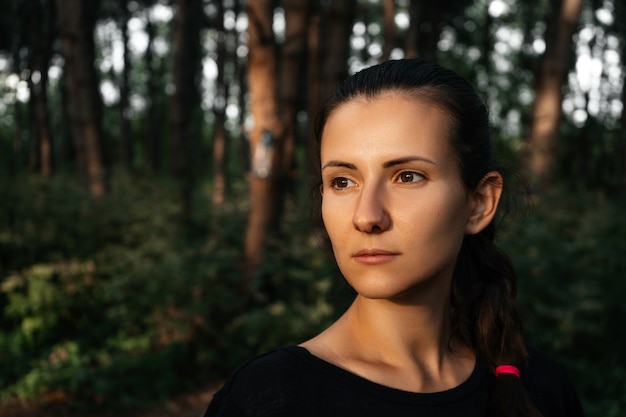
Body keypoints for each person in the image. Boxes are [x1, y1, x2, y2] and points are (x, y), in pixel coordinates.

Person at [203, 59, 584, 417]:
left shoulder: (542, 388)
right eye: (343, 182)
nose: (367, 216)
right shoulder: (270, 399)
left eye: (407, 176)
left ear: (479, 203)